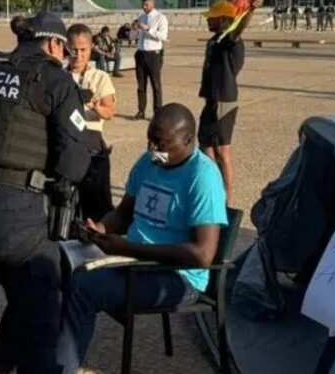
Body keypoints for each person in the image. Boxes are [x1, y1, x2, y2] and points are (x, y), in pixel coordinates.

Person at [0, 11, 90, 374]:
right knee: (40, 322)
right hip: (16, 215)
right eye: (65, 49)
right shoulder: (53, 79)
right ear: (54, 43)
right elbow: (75, 160)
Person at [56, 103, 228, 374]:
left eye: (161, 144)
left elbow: (202, 255)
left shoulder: (202, 177)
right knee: (49, 261)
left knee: (85, 286)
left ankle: (58, 368)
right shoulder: (148, 162)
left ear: (187, 140)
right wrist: (101, 228)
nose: (152, 150)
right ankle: (42, 352)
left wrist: (131, 248)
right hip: (132, 257)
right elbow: (124, 213)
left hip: (177, 276)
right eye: (150, 140)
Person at [198, 0, 257, 207]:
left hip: (225, 101)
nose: (208, 21)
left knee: (223, 152)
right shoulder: (213, 41)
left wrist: (251, 9)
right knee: (205, 148)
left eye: (212, 18)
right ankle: (213, 188)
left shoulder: (230, 39)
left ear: (224, 20)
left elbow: (239, 28)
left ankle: (227, 200)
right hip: (210, 100)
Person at [66, 24, 116, 221]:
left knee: (97, 201)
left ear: (91, 48)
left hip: (91, 143)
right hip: (66, 140)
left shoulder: (100, 77)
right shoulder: (59, 76)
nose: (78, 55)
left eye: (83, 50)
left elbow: (110, 112)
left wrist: (95, 107)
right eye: (73, 50)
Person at [133, 0, 168, 120]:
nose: (144, 7)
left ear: (153, 3)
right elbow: (134, 36)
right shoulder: (141, 17)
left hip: (154, 54)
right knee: (141, 85)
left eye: (146, 5)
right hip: (141, 53)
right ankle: (141, 110)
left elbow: (163, 36)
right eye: (143, 5)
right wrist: (134, 30)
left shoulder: (161, 18)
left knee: (156, 85)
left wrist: (147, 29)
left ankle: (157, 112)